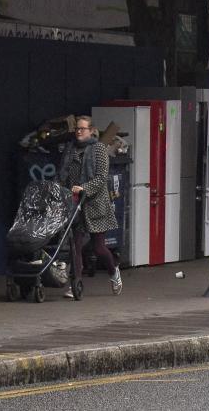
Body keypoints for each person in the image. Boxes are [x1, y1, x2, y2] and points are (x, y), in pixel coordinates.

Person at [58, 115, 122, 297]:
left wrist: (84, 188)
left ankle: (113, 271)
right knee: (75, 245)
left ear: (91, 130)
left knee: (98, 248)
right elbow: (63, 173)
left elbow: (102, 178)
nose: (79, 131)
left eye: (83, 128)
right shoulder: (70, 149)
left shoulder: (99, 149)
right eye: (77, 128)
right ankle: (75, 284)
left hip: (95, 204)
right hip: (75, 204)